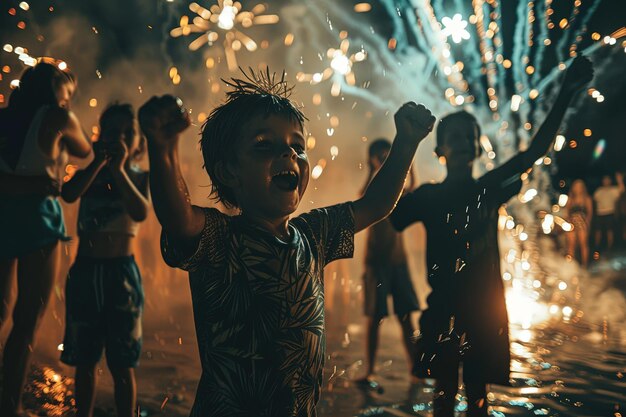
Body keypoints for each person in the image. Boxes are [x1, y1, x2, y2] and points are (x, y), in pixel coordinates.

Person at [138, 69, 435, 416]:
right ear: (228, 171)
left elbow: (375, 205)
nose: (289, 154)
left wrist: (406, 144)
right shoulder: (220, 236)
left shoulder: (314, 234)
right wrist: (163, 149)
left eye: (298, 146)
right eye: (264, 145)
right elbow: (177, 217)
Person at [389, 56, 593, 417]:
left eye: (470, 137)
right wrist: (404, 146)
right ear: (440, 151)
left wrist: (566, 92)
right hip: (443, 311)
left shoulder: (487, 189)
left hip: (485, 312)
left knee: (478, 397)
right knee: (444, 395)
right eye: (455, 138)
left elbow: (533, 153)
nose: (464, 143)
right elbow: (390, 213)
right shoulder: (429, 197)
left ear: (478, 148)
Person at [0, 61, 92, 417]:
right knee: (27, 319)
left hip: (2, 216)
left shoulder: (5, 116)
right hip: (37, 221)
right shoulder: (56, 116)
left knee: (0, 308)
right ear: (57, 94)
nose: (69, 102)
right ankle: (9, 406)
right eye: (67, 94)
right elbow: (84, 151)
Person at [59, 103, 150, 417]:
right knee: (85, 360)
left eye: (129, 133)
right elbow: (69, 193)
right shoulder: (91, 173)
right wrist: (98, 163)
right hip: (86, 271)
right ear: (100, 137)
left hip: (120, 275)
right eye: (113, 131)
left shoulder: (138, 177)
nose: (121, 138)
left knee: (122, 362)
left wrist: (119, 170)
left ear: (140, 144)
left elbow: (140, 212)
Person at [357, 138, 420, 389]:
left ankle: (416, 370)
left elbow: (412, 187)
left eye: (386, 156)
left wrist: (407, 163)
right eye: (379, 157)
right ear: (371, 160)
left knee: (406, 318)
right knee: (375, 318)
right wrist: (375, 170)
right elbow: (362, 196)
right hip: (376, 262)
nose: (383, 160)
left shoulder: (397, 189)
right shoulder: (373, 189)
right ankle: (370, 371)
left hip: (398, 261)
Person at [592, 173, 624, 251]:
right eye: (604, 179)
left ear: (610, 181)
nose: (606, 181)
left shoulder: (614, 190)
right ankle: (597, 247)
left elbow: (622, 190)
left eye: (607, 179)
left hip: (609, 213)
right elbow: (594, 201)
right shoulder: (599, 191)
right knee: (598, 231)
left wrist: (619, 180)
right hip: (600, 214)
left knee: (610, 231)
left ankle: (609, 248)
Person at [566, 179, 593, 267]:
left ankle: (584, 265)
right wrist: (568, 222)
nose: (577, 188)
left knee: (583, 244)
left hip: (583, 223)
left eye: (579, 186)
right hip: (572, 223)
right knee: (571, 244)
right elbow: (567, 211)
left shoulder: (587, 198)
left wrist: (588, 223)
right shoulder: (571, 198)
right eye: (576, 186)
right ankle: (571, 264)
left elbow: (590, 212)